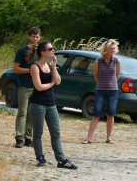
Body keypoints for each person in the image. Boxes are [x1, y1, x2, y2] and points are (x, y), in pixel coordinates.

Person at [28, 41, 78, 170]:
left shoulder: (50, 66)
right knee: (38, 133)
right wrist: (51, 84)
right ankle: (40, 157)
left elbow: (58, 81)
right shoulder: (35, 66)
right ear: (43, 52)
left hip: (51, 104)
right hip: (37, 104)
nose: (53, 51)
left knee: (56, 133)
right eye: (51, 49)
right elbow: (38, 87)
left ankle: (61, 160)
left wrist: (54, 67)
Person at [82, 39, 121, 144]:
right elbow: (96, 76)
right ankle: (89, 138)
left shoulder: (117, 61)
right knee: (96, 114)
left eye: (114, 48)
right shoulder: (98, 61)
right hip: (101, 90)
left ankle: (109, 137)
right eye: (110, 48)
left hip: (113, 91)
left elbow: (117, 76)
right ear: (105, 49)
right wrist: (102, 84)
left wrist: (110, 84)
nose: (113, 50)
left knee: (111, 114)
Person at [13, 27, 41, 148]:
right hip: (25, 85)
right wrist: (30, 70)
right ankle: (19, 137)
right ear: (29, 37)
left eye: (37, 36)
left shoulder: (41, 51)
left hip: (36, 86)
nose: (35, 39)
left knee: (31, 113)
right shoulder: (22, 51)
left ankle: (28, 137)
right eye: (33, 36)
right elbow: (15, 68)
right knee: (22, 112)